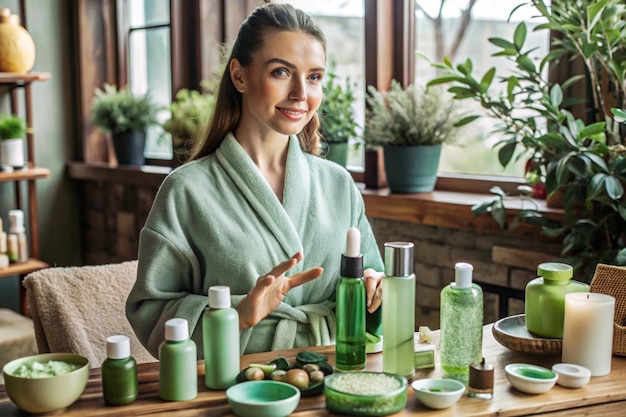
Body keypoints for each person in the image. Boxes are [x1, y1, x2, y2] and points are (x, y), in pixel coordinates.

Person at [126, 2, 384, 358]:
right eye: (281, 72)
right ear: (240, 75)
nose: (301, 94)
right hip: (238, 385)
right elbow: (150, 311)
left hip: (330, 372)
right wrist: (236, 315)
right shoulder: (186, 190)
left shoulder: (339, 185)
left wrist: (375, 288)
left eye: (314, 77)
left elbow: (372, 277)